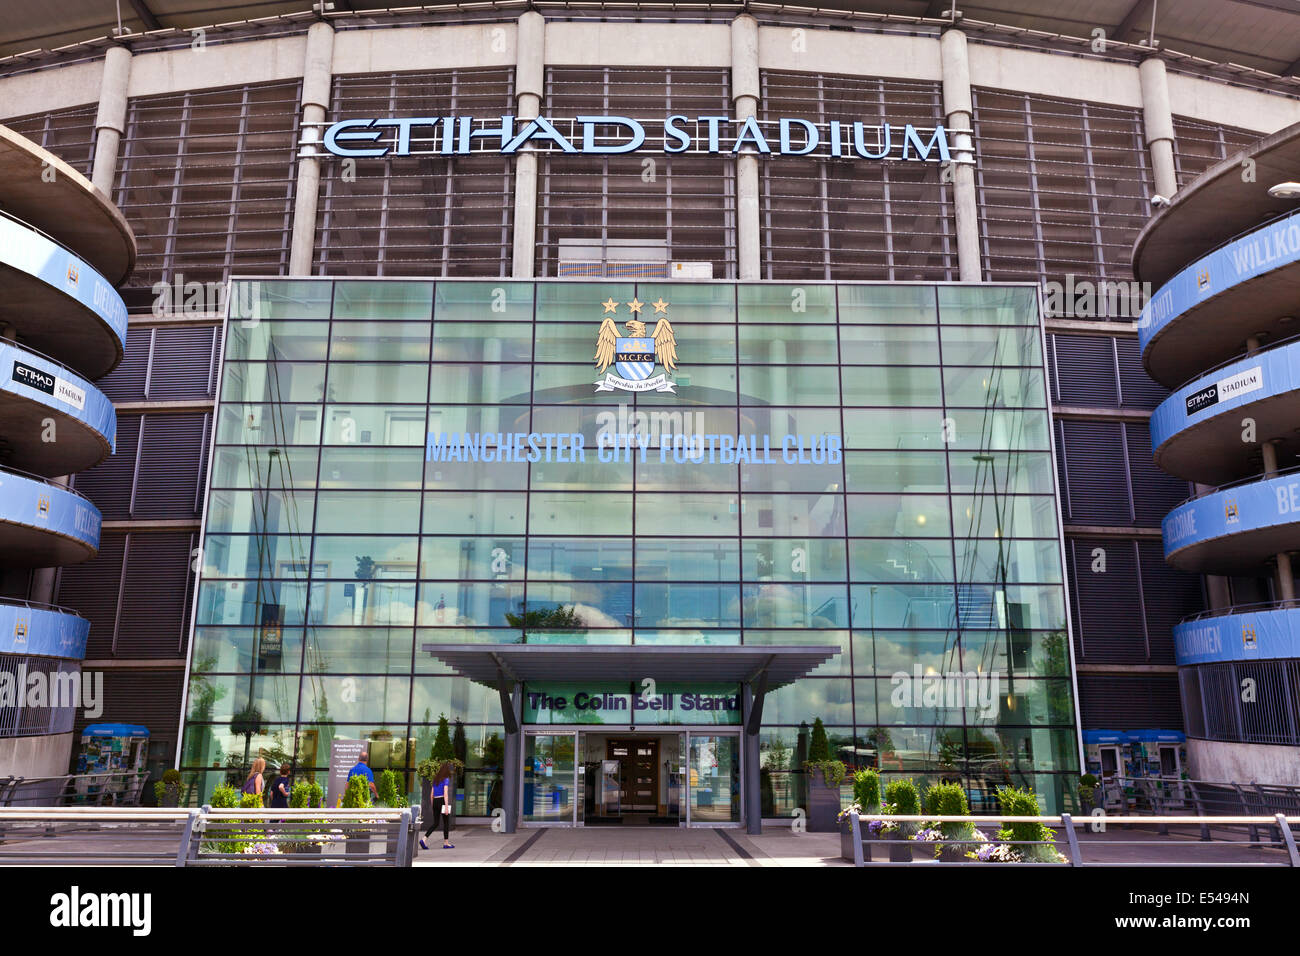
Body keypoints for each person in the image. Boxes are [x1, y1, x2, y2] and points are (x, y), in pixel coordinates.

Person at [420, 761, 455, 851]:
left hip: (435, 800)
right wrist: (446, 806)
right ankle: (446, 843)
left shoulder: (436, 779)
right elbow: (446, 793)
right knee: (446, 822)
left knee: (435, 823)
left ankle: (424, 839)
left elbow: (431, 794)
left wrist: (433, 804)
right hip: (442, 800)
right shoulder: (446, 779)